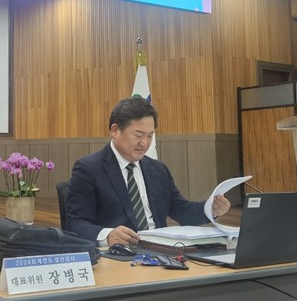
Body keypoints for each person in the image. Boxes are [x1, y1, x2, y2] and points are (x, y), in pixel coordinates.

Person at [66, 97, 231, 246]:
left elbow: (181, 210)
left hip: (162, 250)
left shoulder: (157, 169)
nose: (145, 143)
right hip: (120, 254)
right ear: (115, 131)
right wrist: (108, 235)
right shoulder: (89, 169)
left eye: (150, 136)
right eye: (138, 135)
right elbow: (76, 224)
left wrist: (210, 209)